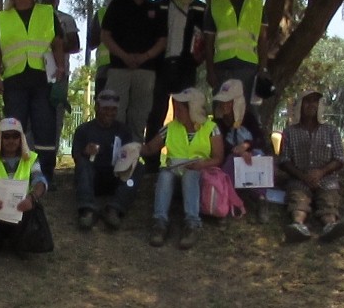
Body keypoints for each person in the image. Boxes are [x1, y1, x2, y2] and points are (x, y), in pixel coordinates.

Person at [0, 0, 65, 186]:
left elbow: (58, 42)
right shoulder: (2, 18)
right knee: (13, 130)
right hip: (14, 82)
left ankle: (46, 177)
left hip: (43, 80)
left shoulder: (46, 12)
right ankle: (15, 176)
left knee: (45, 128)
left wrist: (60, 67)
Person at [139, 88, 223, 249]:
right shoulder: (170, 127)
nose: (176, 111)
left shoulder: (211, 128)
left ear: (192, 109)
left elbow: (218, 158)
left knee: (191, 175)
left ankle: (192, 224)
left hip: (198, 174)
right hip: (174, 172)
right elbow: (150, 148)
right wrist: (134, 148)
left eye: (180, 108)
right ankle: (159, 224)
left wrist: (201, 165)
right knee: (165, 175)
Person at [0, 118, 52, 258]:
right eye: (6, 136)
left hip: (20, 209)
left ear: (21, 138)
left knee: (35, 206)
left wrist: (32, 198)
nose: (11, 140)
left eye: (15, 136)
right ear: (0, 138)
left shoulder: (31, 158)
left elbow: (40, 181)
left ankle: (20, 243)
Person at [145, 0, 206, 168]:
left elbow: (204, 40)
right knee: (156, 113)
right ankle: (152, 162)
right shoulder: (158, 6)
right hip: (161, 67)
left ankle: (181, 157)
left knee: (185, 114)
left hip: (185, 68)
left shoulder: (199, 8)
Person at [100, 0, 167, 143]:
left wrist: (144, 57)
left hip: (145, 70)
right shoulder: (117, 5)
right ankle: (113, 155)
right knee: (115, 112)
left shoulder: (154, 9)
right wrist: (124, 56)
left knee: (139, 114)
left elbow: (162, 41)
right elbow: (106, 36)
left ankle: (134, 155)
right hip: (119, 67)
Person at [278, 89, 344, 242]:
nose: (311, 105)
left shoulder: (331, 130)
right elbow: (284, 160)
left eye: (315, 101)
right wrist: (303, 176)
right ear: (300, 106)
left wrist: (320, 172)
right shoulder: (289, 132)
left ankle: (330, 225)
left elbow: (340, 158)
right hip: (299, 178)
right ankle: (298, 226)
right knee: (297, 199)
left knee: (328, 199)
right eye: (307, 101)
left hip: (326, 178)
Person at [71, 89, 142, 231]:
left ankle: (115, 208)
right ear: (97, 107)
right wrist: (85, 152)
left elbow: (130, 154)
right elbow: (76, 158)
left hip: (116, 177)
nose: (110, 112)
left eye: (113, 109)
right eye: (106, 108)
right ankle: (87, 210)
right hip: (92, 179)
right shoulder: (83, 130)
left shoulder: (123, 130)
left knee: (138, 167)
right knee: (83, 165)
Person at [204, 0, 268, 105]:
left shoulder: (256, 4)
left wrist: (263, 69)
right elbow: (208, 43)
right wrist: (210, 71)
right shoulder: (215, 5)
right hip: (222, 68)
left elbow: (263, 40)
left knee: (248, 115)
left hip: (249, 68)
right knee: (222, 111)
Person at [212, 79, 271, 223]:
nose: (224, 105)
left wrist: (246, 146)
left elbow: (260, 140)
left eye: (229, 101)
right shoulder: (217, 123)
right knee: (231, 161)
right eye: (223, 101)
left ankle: (261, 201)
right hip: (230, 163)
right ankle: (224, 203)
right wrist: (237, 152)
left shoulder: (249, 118)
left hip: (249, 158)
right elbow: (220, 147)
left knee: (258, 157)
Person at [39, 0, 81, 155]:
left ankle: (52, 156)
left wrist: (57, 43)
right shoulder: (35, 19)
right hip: (38, 73)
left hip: (59, 74)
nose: (49, 0)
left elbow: (75, 44)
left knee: (56, 116)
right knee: (36, 118)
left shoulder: (66, 19)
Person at [88, 0, 131, 95]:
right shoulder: (102, 13)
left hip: (124, 68)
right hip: (108, 69)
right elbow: (91, 42)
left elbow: (91, 42)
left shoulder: (136, 12)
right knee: (105, 107)